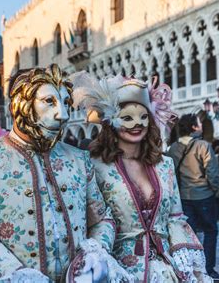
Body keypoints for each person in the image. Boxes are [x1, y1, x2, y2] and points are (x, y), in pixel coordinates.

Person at [0, 65, 132, 282]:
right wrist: (12, 272)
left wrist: (95, 253)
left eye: (65, 103)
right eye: (49, 102)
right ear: (21, 104)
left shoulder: (79, 159)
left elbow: (102, 218)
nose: (62, 115)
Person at [71, 72, 211, 282]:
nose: (137, 123)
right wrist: (95, 257)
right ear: (110, 121)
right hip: (120, 272)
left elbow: (175, 219)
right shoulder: (94, 166)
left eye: (143, 116)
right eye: (127, 117)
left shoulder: (165, 165)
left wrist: (187, 262)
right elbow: (95, 222)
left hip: (166, 271)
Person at [167, 113, 219, 280]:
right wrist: (216, 191)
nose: (200, 125)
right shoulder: (203, 146)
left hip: (184, 197)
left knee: (190, 235)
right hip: (204, 194)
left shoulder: (173, 148)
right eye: (198, 123)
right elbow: (212, 173)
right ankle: (208, 269)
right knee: (210, 231)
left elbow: (172, 174)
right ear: (193, 127)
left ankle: (193, 271)